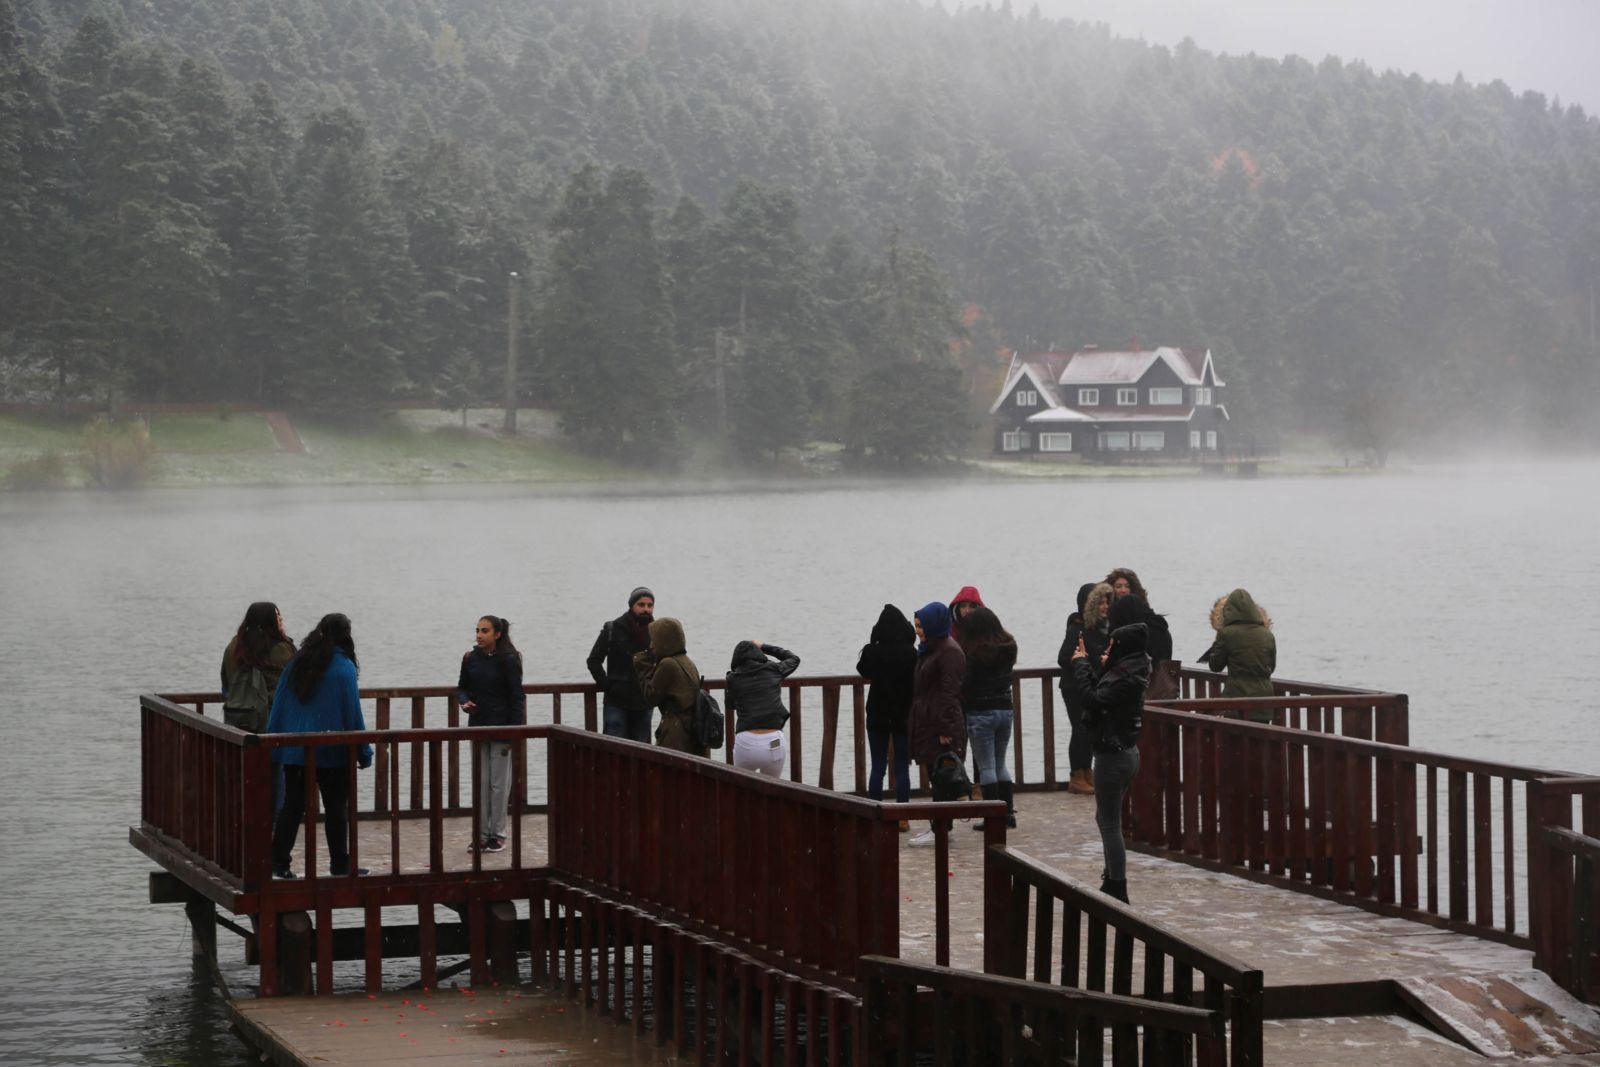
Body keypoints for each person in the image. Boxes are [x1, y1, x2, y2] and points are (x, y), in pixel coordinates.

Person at [267, 613, 373, 879]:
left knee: (293, 806)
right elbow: (352, 714)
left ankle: (278, 863)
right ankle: (339, 864)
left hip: (295, 749)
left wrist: (274, 743)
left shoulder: (297, 662)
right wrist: (363, 751)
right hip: (332, 751)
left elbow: (279, 705)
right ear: (346, 635)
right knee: (336, 808)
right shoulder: (344, 668)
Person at [1067, 616, 1150, 904]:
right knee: (1105, 818)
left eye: (1112, 645)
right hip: (1125, 754)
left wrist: (1080, 665)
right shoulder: (1129, 672)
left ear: (1123, 648)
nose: (1107, 650)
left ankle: (1117, 886)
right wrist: (1091, 665)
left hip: (1113, 757)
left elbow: (1092, 700)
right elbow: (1100, 695)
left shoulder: (1124, 678)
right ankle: (1111, 878)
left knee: (1110, 823)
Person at [458, 615, 526, 853]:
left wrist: (514, 731)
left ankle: (498, 835)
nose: (479, 635)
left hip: (502, 728)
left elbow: (517, 696)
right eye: (477, 630)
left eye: (484, 631)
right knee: (480, 783)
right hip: (478, 726)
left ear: (497, 634)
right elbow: (462, 687)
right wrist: (464, 702)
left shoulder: (509, 659)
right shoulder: (470, 658)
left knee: (498, 785)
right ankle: (480, 834)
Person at [221, 601, 297, 814]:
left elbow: (225, 684)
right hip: (273, 721)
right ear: (271, 621)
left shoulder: (233, 647)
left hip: (238, 720)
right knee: (277, 771)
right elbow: (296, 682)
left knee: (244, 773)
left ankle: (243, 817)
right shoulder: (282, 649)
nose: (282, 621)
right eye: (278, 617)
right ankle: (274, 820)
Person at [907, 601, 967, 847]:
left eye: (921, 626)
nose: (918, 631)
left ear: (933, 624)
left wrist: (945, 729)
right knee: (936, 776)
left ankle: (940, 829)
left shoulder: (949, 652)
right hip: (928, 721)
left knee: (942, 776)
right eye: (916, 626)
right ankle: (938, 827)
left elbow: (949, 693)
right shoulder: (931, 649)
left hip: (941, 725)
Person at [857, 605, 917, 830]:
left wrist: (873, 645)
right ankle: (903, 816)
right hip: (903, 714)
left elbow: (863, 670)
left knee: (878, 766)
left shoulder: (872, 651)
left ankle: (875, 815)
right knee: (902, 766)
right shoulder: (911, 653)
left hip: (877, 714)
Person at [959, 606, 1017, 829]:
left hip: (981, 712)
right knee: (1000, 763)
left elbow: (966, 684)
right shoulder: (1008, 648)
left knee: (986, 767)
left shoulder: (974, 654)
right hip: (1005, 709)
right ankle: (1008, 813)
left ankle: (993, 818)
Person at [1057, 582, 1112, 795]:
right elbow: (1063, 657)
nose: (1104, 606)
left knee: (1090, 729)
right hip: (1073, 688)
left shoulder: (1102, 628)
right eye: (1100, 603)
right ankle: (1076, 775)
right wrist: (1089, 661)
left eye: (1107, 602)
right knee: (1080, 729)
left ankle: (1087, 772)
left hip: (1091, 686)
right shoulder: (1077, 629)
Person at [586, 588, 656, 743]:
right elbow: (593, 661)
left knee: (642, 751)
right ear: (631, 605)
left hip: (644, 702)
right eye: (641, 604)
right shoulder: (613, 628)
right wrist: (607, 685)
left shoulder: (657, 632)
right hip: (616, 702)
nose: (646, 609)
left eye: (650, 605)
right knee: (613, 748)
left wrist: (654, 689)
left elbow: (663, 663)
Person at [724, 639, 801, 776]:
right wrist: (764, 647)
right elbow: (794, 659)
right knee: (772, 786)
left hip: (746, 742)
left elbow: (730, 705)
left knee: (743, 785)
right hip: (773, 740)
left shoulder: (733, 678)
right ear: (758, 654)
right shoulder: (773, 669)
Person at [633, 617, 706, 756]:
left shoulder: (668, 664)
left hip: (675, 733)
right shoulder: (687, 662)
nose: (651, 646)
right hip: (690, 730)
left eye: (655, 641)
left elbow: (651, 697)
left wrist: (642, 665)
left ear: (664, 642)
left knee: (670, 768)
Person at [1201, 588, 1277, 722]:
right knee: (1259, 735)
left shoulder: (1227, 633)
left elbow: (1215, 666)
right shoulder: (1267, 634)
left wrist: (1218, 642)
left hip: (1236, 703)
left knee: (1235, 735)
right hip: (1264, 703)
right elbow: (1271, 667)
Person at [1104, 571, 1174, 696]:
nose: (1123, 590)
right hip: (1160, 689)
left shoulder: (1135, 632)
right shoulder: (1156, 624)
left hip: (1141, 691)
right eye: (1118, 586)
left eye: (1127, 586)